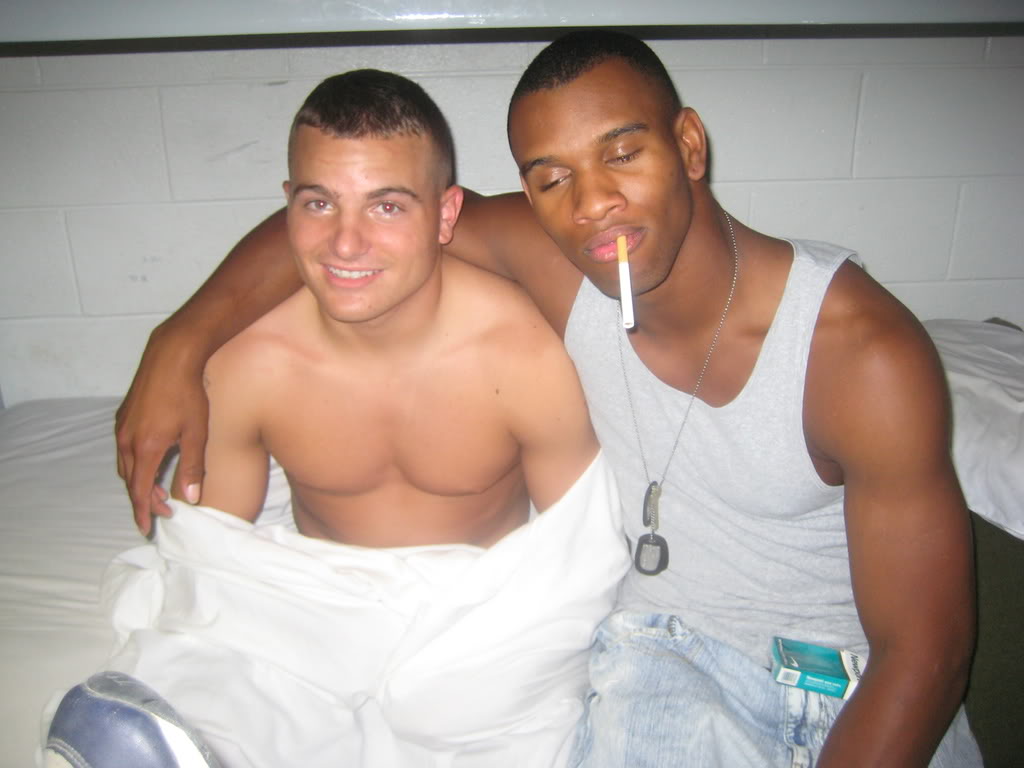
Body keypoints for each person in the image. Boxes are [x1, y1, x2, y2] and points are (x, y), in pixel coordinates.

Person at [114, 31, 982, 767]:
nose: (593, 203)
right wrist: (179, 341)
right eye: (551, 177)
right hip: (666, 659)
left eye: (622, 153)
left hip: (856, 680)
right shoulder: (564, 271)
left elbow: (927, 653)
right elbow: (351, 230)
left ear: (689, 145)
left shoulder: (856, 352)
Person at [44, 69, 630, 768]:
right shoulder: (246, 365)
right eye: (320, 203)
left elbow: (570, 562)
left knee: (515, 722)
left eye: (387, 207)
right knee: (205, 689)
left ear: (446, 214)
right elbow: (215, 561)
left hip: (481, 614)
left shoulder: (527, 358)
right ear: (288, 204)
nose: (346, 244)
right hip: (312, 603)